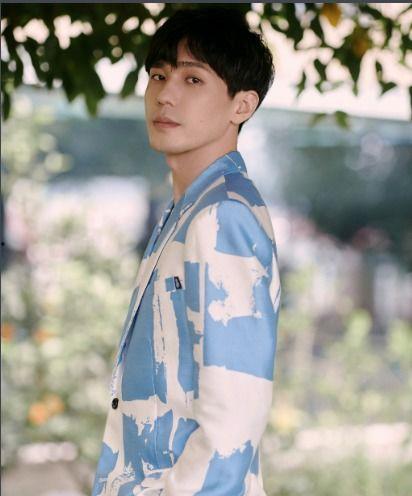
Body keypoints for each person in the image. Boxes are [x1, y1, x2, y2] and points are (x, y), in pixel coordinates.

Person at [92, 6, 281, 496]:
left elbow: (232, 424)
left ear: (242, 105)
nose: (166, 94)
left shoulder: (223, 215)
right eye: (159, 75)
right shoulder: (188, 209)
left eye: (193, 80)